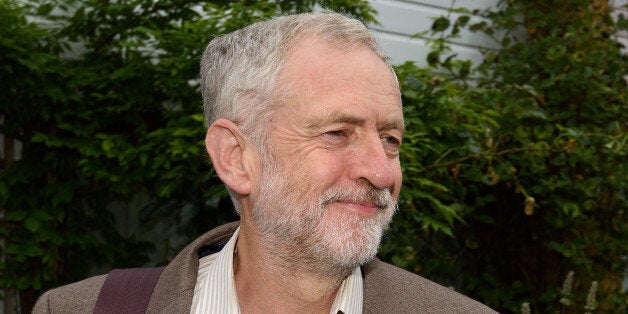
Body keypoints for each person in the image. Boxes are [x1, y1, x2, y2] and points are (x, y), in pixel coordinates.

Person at [33, 12, 496, 313]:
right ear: (236, 158)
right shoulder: (86, 308)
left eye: (391, 139)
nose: (381, 172)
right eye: (337, 133)